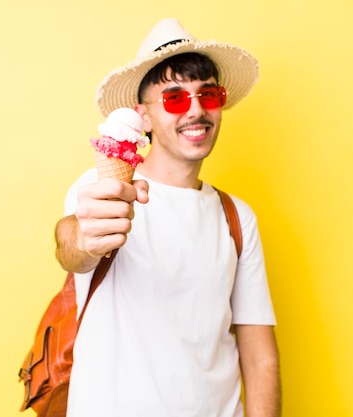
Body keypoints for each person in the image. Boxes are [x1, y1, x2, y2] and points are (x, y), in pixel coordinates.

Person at [55, 18, 281, 417]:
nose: (196, 110)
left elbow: (259, 354)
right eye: (174, 98)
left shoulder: (236, 218)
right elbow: (71, 247)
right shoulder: (102, 190)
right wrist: (85, 239)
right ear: (143, 116)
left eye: (207, 94)